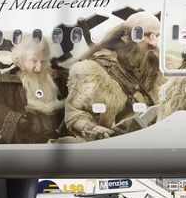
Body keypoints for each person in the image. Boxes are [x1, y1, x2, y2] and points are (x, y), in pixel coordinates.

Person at [63, 11, 163, 140]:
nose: (153, 43)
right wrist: (94, 129)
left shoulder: (163, 68)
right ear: (126, 37)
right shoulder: (93, 71)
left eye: (156, 36)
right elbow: (76, 114)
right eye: (147, 35)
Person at [0, 39, 67, 143]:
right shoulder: (6, 82)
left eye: (43, 62)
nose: (38, 68)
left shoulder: (58, 79)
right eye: (34, 61)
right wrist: (19, 119)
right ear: (20, 60)